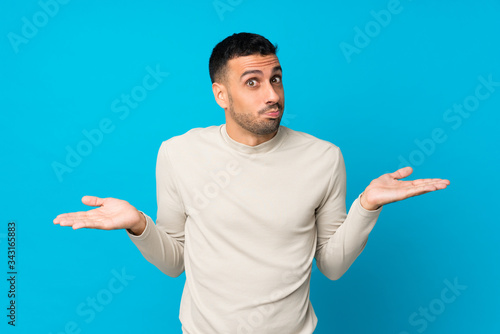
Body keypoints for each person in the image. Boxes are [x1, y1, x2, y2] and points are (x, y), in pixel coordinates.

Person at [53, 32, 450, 334]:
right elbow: (175, 262)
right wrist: (138, 224)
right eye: (253, 82)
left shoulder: (324, 158)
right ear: (221, 94)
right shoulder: (178, 153)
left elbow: (331, 266)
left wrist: (366, 207)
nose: (272, 94)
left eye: (276, 79)